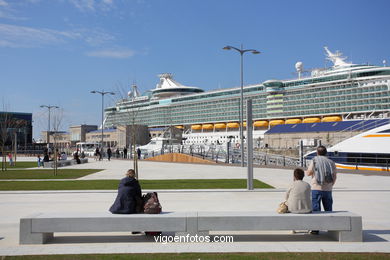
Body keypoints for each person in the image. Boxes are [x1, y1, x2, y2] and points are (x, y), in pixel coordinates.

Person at [306, 145, 337, 234]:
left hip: (316, 187)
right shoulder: (331, 162)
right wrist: (331, 185)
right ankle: (330, 229)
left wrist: (310, 172)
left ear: (317, 152)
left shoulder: (314, 160)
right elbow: (334, 176)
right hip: (328, 189)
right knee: (329, 209)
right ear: (326, 152)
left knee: (316, 209)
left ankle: (315, 229)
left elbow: (308, 173)